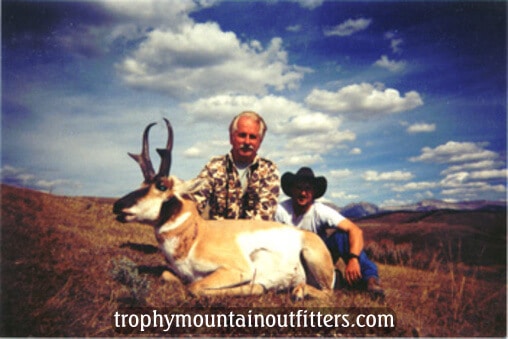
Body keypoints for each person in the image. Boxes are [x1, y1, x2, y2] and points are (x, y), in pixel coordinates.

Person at [275, 167, 384, 298]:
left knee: (342, 236)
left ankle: (371, 280)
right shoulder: (280, 210)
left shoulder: (320, 211)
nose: (303, 193)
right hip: (290, 256)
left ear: (314, 192)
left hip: (320, 255)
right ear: (292, 190)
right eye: (299, 188)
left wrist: (353, 259)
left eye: (308, 189)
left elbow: (355, 230)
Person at [192, 111, 280, 221]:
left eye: (252, 137)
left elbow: (265, 216)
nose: (247, 142)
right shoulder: (214, 167)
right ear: (231, 137)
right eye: (242, 135)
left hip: (253, 235)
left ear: (260, 141)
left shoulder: (269, 171)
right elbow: (194, 204)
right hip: (219, 235)